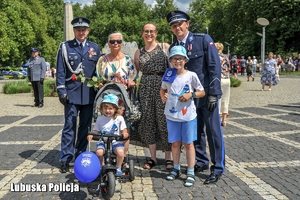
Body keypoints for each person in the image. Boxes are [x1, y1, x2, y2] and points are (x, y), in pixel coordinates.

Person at [166, 10, 225, 184]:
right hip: (185, 101)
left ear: (187, 24)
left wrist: (214, 93)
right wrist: (166, 91)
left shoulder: (203, 40)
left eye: (180, 24)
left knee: (213, 132)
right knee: (196, 133)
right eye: (174, 25)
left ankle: (218, 168)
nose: (177, 28)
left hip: (205, 95)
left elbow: (214, 67)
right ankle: (201, 162)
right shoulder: (172, 47)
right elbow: (171, 73)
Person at [56, 17, 101, 173]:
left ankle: (80, 155)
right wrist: (61, 90)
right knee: (69, 126)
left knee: (85, 127)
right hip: (71, 93)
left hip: (89, 94)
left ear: (88, 31)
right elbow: (61, 70)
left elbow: (98, 72)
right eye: (78, 29)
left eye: (84, 29)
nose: (81, 32)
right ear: (74, 30)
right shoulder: (65, 47)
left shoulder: (95, 48)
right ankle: (65, 158)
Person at [160, 45, 205, 187]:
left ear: (185, 60)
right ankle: (176, 168)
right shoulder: (168, 74)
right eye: (174, 58)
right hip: (172, 116)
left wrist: (190, 94)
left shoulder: (191, 75)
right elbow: (162, 89)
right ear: (170, 60)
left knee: (188, 144)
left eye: (180, 58)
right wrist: (163, 96)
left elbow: (201, 92)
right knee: (175, 143)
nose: (177, 61)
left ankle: (190, 171)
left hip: (187, 116)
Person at [133, 22, 173, 170]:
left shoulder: (165, 47)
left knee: (164, 122)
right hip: (145, 88)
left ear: (156, 33)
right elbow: (135, 74)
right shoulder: (139, 52)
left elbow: (172, 69)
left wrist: (169, 89)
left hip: (163, 87)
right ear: (142, 33)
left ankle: (168, 158)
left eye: (152, 31)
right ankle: (152, 158)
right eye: (146, 31)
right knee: (148, 121)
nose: (149, 34)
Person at [96, 32, 137, 157]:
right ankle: (106, 153)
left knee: (124, 127)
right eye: (112, 41)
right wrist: (99, 84)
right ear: (108, 44)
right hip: (107, 98)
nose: (115, 44)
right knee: (107, 124)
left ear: (122, 43)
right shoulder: (102, 60)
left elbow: (134, 77)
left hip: (122, 98)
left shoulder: (128, 59)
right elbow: (98, 77)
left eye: (118, 41)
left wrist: (131, 81)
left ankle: (122, 157)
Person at [87, 94, 128, 176]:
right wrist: (92, 134)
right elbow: (96, 130)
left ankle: (118, 167)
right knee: (99, 153)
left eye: (110, 108)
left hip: (116, 141)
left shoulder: (119, 118)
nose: (108, 111)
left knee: (120, 152)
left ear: (115, 109)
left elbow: (124, 129)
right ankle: (102, 166)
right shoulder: (100, 119)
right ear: (101, 108)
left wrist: (124, 133)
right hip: (103, 141)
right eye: (105, 108)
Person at [215, 43, 230, 127]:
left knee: (217, 99)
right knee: (226, 98)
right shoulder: (226, 56)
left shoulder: (214, 56)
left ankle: (217, 118)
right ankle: (224, 120)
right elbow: (229, 67)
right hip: (226, 78)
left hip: (218, 79)